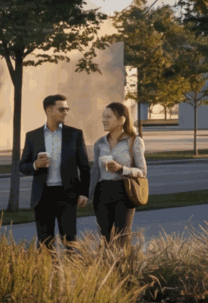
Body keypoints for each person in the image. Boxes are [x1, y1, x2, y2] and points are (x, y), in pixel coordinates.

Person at [18, 93, 92, 248]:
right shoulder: (33, 136)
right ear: (49, 110)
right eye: (62, 109)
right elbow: (22, 166)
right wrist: (35, 165)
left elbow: (84, 166)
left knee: (70, 240)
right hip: (42, 196)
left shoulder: (74, 134)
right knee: (45, 242)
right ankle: (47, 271)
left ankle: (71, 270)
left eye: (67, 109)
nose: (65, 112)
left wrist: (84, 192)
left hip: (67, 194)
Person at [91, 101, 148, 244]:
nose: (104, 120)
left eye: (108, 117)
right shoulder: (100, 143)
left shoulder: (134, 141)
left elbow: (142, 171)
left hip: (124, 190)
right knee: (104, 237)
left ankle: (123, 265)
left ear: (121, 120)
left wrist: (122, 169)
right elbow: (95, 171)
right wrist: (87, 195)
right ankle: (106, 265)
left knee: (122, 235)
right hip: (102, 192)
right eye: (103, 116)